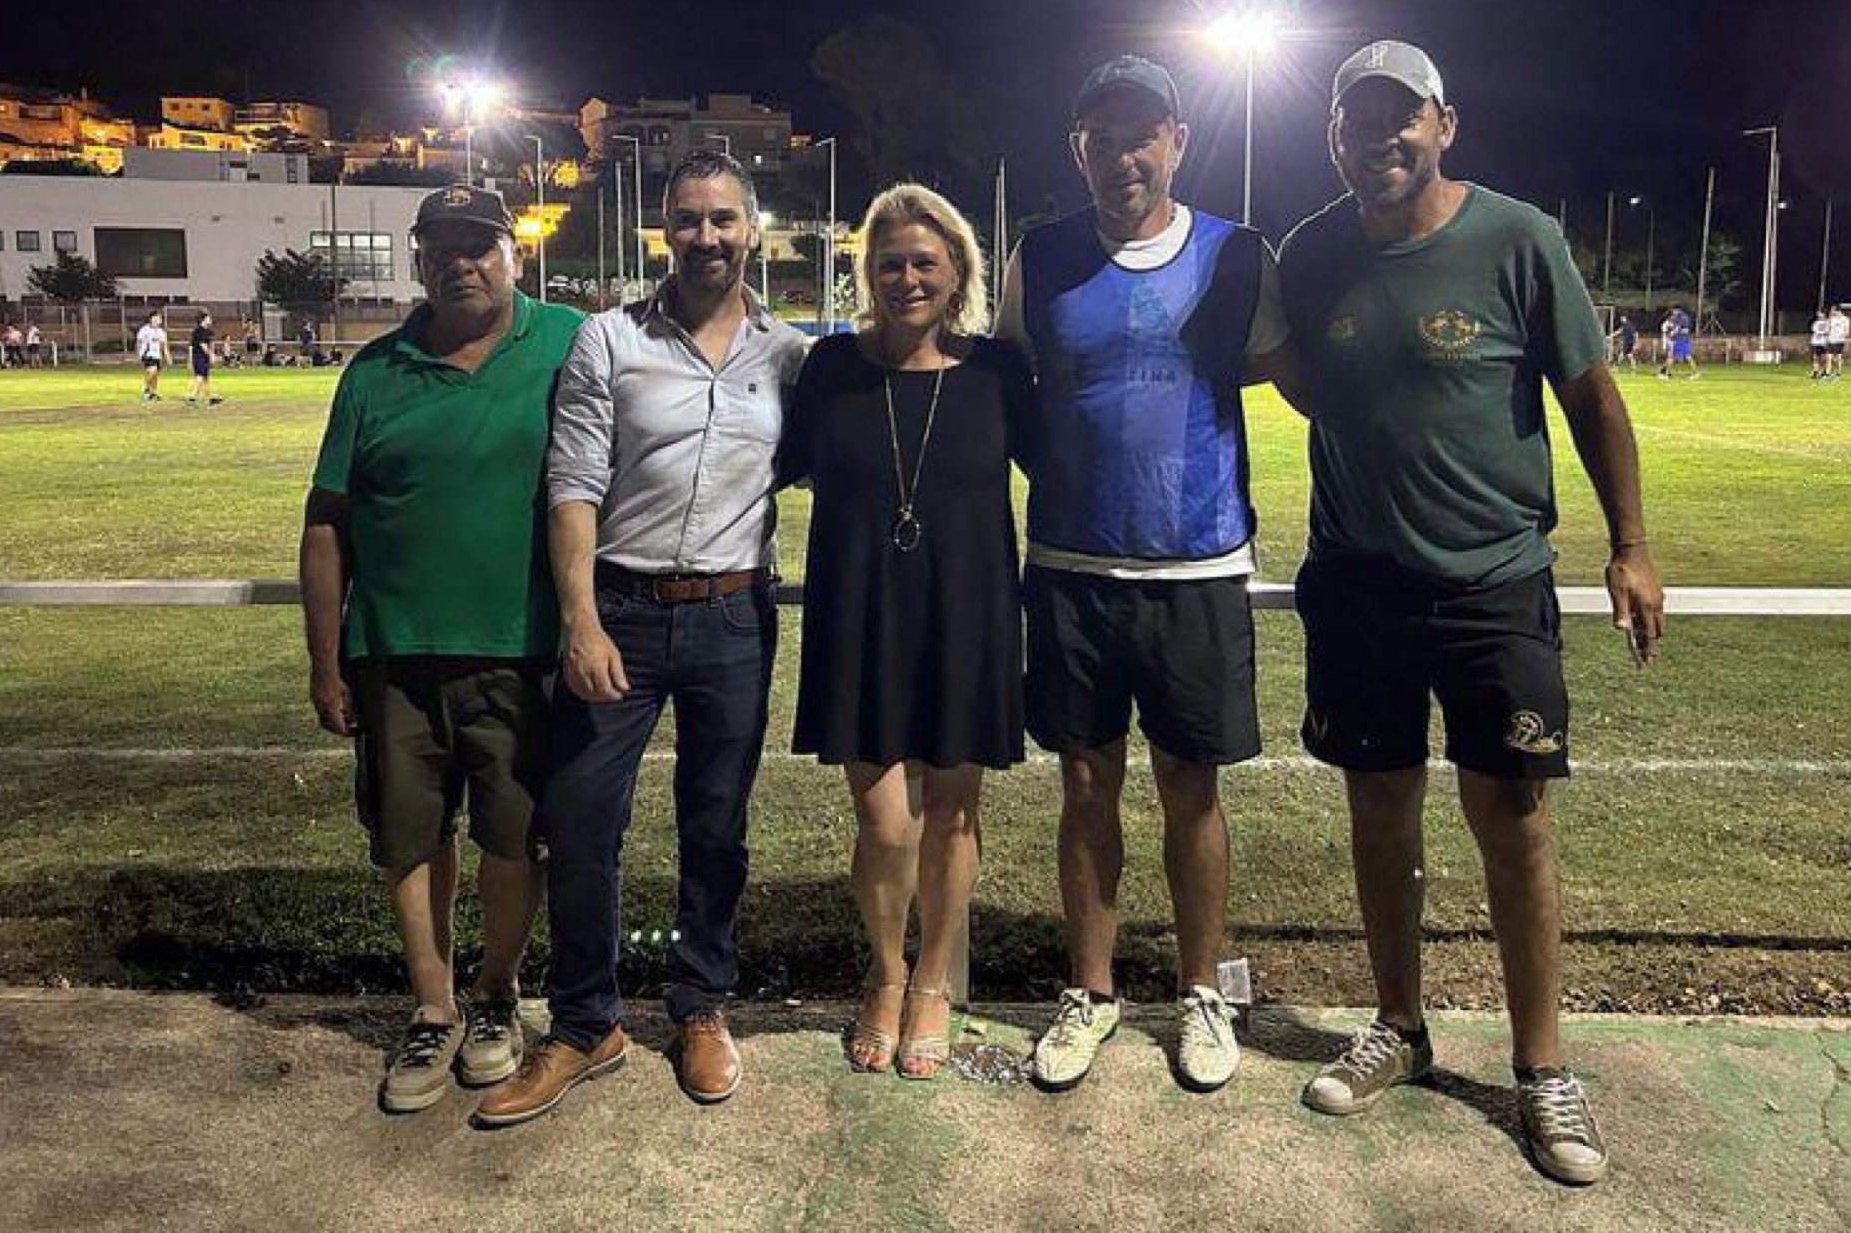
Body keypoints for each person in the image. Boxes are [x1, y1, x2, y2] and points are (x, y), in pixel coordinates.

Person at [1270, 41, 1665, 1186]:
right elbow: (1297, 376)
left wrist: (1630, 546)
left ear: (1444, 124)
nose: (1379, 139)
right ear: (1332, 138)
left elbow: (1590, 397)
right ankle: (1398, 1026)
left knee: (1512, 818)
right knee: (1379, 808)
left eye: (1401, 118)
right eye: (1357, 121)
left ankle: (1540, 1067)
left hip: (1492, 581)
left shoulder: (1516, 238)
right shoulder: (1310, 251)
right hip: (1356, 582)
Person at [477, 150, 807, 1126]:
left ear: (751, 228)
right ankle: (586, 1023)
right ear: (664, 230)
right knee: (581, 820)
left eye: (722, 218)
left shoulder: (789, 356)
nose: (706, 236)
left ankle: (701, 1003)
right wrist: (579, 619)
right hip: (617, 609)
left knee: (716, 823)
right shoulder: (608, 340)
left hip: (734, 614)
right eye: (688, 219)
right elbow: (573, 483)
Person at [995, 55, 1289, 1096]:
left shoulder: (1237, 254)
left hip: (1196, 562)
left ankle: (1200, 989)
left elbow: (1287, 375)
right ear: (1076, 150)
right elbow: (1011, 390)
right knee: (1084, 785)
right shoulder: (1040, 255)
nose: (1122, 157)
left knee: (1190, 788)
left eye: (1141, 137)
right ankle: (1090, 989)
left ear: (1176, 141)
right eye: (1101, 139)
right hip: (1071, 563)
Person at [299, 184, 585, 1114]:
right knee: (409, 836)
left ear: (515, 253)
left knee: (514, 836)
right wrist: (325, 660)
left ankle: (497, 992)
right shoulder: (374, 371)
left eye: (480, 244)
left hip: (521, 650)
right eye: (443, 247)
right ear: (419, 259)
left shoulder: (569, 342)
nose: (463, 262)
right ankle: (432, 1004)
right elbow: (327, 522)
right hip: (394, 651)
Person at [778, 183, 1033, 1080]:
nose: (908, 278)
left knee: (954, 812)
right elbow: (770, 463)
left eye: (926, 261)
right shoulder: (830, 367)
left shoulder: (997, 371)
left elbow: (1063, 460)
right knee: (886, 821)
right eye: (890, 263)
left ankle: (932, 980)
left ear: (958, 269)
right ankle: (885, 970)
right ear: (868, 272)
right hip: (859, 611)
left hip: (968, 611)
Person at [187, 313, 223, 406]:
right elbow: (202, 346)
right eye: (208, 318)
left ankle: (210, 398)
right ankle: (192, 397)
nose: (210, 319)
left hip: (205, 357)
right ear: (203, 320)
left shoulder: (210, 332)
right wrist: (211, 355)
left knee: (206, 378)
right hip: (198, 357)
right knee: (200, 376)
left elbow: (211, 344)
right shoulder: (198, 331)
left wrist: (211, 355)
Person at [134, 312, 169, 400]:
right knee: (153, 371)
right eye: (156, 318)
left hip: (157, 355)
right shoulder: (144, 329)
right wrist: (138, 354)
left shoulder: (161, 332)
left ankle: (154, 392)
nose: (158, 320)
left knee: (155, 374)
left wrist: (167, 356)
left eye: (160, 318)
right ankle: (146, 389)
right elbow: (139, 342)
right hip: (147, 354)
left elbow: (163, 345)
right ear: (151, 319)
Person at [1657, 307, 1697, 379]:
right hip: (1685, 340)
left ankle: (1667, 374)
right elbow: (1683, 329)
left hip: (1679, 340)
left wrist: (1671, 334)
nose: (1673, 313)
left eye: (1674, 311)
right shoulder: (1685, 317)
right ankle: (1695, 373)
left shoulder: (1680, 319)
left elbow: (1677, 329)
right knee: (1688, 356)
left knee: (1671, 357)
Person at [1826, 303, 1851, 378]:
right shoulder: (1831, 319)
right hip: (1831, 340)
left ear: (1837, 310)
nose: (1831, 311)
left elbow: (1847, 331)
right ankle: (1828, 373)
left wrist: (1844, 336)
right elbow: (1828, 329)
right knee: (1829, 357)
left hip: (1839, 341)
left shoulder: (1845, 319)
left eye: (1832, 310)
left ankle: (1838, 373)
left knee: (1837, 358)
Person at [1809, 311, 1830, 379]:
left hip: (1823, 342)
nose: (1819, 315)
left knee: (1823, 358)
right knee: (1815, 358)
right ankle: (1815, 371)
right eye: (1818, 314)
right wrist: (1819, 333)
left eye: (1821, 313)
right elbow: (1814, 330)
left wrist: (1821, 333)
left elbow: (1827, 331)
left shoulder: (1827, 322)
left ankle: (1824, 372)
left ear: (1824, 314)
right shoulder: (1815, 323)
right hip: (1815, 342)